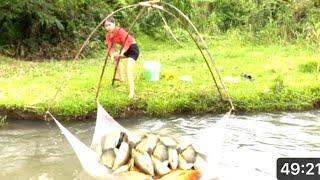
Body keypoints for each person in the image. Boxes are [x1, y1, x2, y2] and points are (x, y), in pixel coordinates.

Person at [104, 16, 139, 99]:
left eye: (109, 24)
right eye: (106, 26)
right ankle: (120, 77)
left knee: (128, 70)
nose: (108, 27)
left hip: (132, 48)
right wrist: (112, 55)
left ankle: (132, 92)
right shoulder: (108, 35)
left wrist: (121, 53)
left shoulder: (120, 30)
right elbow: (110, 47)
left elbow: (127, 43)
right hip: (124, 50)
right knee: (115, 58)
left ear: (114, 24)